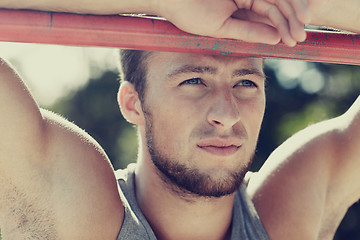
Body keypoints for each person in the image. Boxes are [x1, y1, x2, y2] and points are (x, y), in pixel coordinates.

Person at [0, 0, 359, 239]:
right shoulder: (80, 210)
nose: (227, 114)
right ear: (133, 104)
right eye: (193, 81)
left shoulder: (286, 214)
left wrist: (297, 4)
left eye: (246, 82)